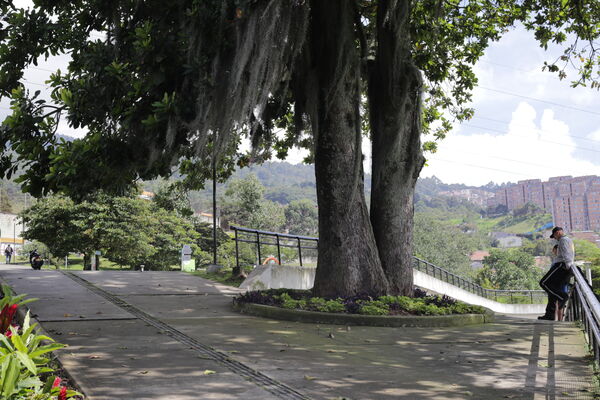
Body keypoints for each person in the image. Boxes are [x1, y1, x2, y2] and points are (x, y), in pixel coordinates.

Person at [538, 227, 575, 321]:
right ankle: (549, 315)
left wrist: (566, 266)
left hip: (561, 265)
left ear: (558, 232)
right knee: (552, 291)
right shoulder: (567, 240)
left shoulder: (563, 240)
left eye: (554, 235)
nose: (554, 238)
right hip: (563, 265)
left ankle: (562, 296)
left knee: (543, 283)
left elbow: (567, 254)